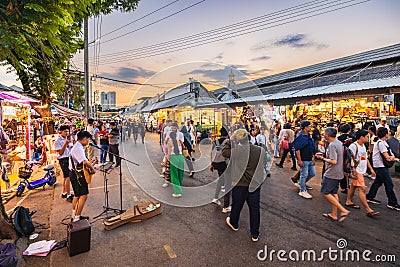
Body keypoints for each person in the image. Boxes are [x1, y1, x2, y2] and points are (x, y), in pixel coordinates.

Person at [222, 129, 267, 242]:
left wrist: (230, 139)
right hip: (254, 184)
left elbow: (224, 152)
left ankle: (234, 224)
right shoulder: (260, 150)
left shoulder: (237, 150)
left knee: (237, 205)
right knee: (254, 209)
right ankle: (255, 234)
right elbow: (264, 162)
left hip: (239, 184)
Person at [316, 127, 350, 222]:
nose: (323, 135)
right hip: (339, 172)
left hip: (332, 172)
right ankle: (334, 214)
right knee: (334, 193)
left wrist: (322, 158)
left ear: (327, 135)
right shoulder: (339, 143)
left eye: (324, 133)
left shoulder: (332, 145)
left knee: (325, 192)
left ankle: (343, 210)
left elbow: (333, 161)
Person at [345, 129, 380, 217]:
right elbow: (350, 159)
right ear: (361, 137)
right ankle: (368, 209)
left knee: (353, 186)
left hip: (361, 170)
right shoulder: (353, 146)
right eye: (367, 136)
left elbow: (365, 158)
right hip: (357, 171)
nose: (369, 138)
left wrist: (371, 169)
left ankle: (348, 201)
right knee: (362, 189)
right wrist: (354, 170)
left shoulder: (363, 146)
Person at [366, 127, 400, 211]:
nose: (389, 133)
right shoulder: (381, 143)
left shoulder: (383, 142)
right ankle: (392, 202)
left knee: (378, 182)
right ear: (385, 134)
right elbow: (387, 157)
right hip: (381, 166)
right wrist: (394, 158)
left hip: (380, 165)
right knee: (389, 184)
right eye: (388, 132)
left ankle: (370, 196)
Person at [69, 131, 96, 222]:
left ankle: (74, 215)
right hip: (77, 175)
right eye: (88, 139)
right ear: (84, 138)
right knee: (83, 195)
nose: (88, 141)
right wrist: (92, 169)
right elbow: (84, 162)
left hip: (75, 173)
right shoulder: (78, 148)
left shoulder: (78, 146)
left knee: (77, 195)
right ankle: (77, 217)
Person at [292, 121, 316, 199]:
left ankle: (301, 184)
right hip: (304, 158)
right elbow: (297, 149)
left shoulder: (308, 136)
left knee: (312, 173)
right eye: (309, 126)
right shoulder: (300, 136)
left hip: (309, 158)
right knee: (304, 174)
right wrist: (299, 160)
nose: (311, 127)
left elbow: (311, 147)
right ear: (305, 127)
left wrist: (313, 157)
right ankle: (302, 190)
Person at [211, 127, 231, 213]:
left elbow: (211, 153)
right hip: (224, 164)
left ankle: (215, 198)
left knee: (221, 180)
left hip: (216, 163)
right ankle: (226, 206)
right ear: (227, 134)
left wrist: (211, 164)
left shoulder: (215, 141)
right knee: (228, 184)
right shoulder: (228, 142)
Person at [54, 125, 73, 202]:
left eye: (68, 131)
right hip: (63, 159)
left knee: (65, 177)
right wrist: (66, 143)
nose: (66, 133)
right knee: (68, 177)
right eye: (65, 131)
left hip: (68, 158)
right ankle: (68, 195)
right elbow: (60, 152)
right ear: (60, 132)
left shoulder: (68, 139)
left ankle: (64, 192)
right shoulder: (57, 141)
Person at [337, 123, 354, 194]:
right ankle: (349, 186)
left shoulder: (338, 138)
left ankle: (344, 187)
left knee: (342, 171)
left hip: (341, 157)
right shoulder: (352, 137)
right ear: (349, 130)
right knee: (349, 170)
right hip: (350, 157)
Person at [167, 131, 185, 197]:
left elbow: (169, 153)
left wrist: (168, 159)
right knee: (180, 173)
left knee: (174, 175)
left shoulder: (169, 142)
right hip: (181, 157)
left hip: (174, 158)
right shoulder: (179, 141)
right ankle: (179, 187)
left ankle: (177, 192)